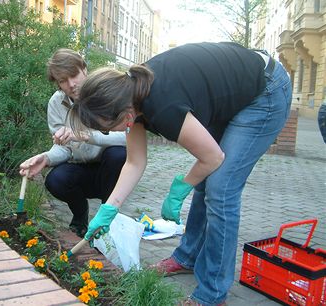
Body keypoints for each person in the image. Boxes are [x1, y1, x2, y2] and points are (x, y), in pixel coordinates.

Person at [69, 42, 292, 306]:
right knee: (206, 179)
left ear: (125, 115)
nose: (110, 133)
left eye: (108, 127)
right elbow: (134, 163)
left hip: (265, 92)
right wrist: (109, 209)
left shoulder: (162, 105)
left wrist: (179, 189)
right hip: (236, 92)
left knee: (220, 188)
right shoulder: (130, 95)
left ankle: (212, 294)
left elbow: (212, 158)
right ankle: (187, 257)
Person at [19, 49, 126, 238]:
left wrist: (86, 136)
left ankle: (108, 221)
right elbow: (64, 148)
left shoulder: (106, 93)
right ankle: (80, 216)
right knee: (55, 180)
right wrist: (46, 158)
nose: (71, 85)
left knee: (118, 154)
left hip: (110, 169)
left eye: (74, 75)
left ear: (84, 69)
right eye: (62, 80)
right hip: (81, 168)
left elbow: (128, 138)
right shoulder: (56, 103)